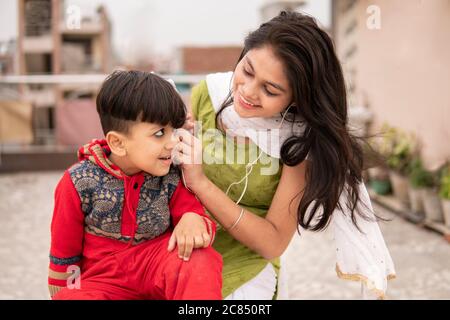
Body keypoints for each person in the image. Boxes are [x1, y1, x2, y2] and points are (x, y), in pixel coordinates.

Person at [175, 11, 396, 300]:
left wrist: (202, 184)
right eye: (248, 70)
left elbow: (273, 243)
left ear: (297, 97)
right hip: (181, 245)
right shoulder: (210, 94)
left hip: (245, 266)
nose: (248, 92)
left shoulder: (297, 142)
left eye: (270, 90)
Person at [48, 70, 222, 300]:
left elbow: (197, 217)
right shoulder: (78, 182)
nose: (172, 142)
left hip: (157, 268)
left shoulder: (171, 177)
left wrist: (192, 219)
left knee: (199, 258)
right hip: (103, 281)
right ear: (118, 143)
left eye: (173, 131)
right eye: (159, 133)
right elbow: (64, 252)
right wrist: (65, 292)